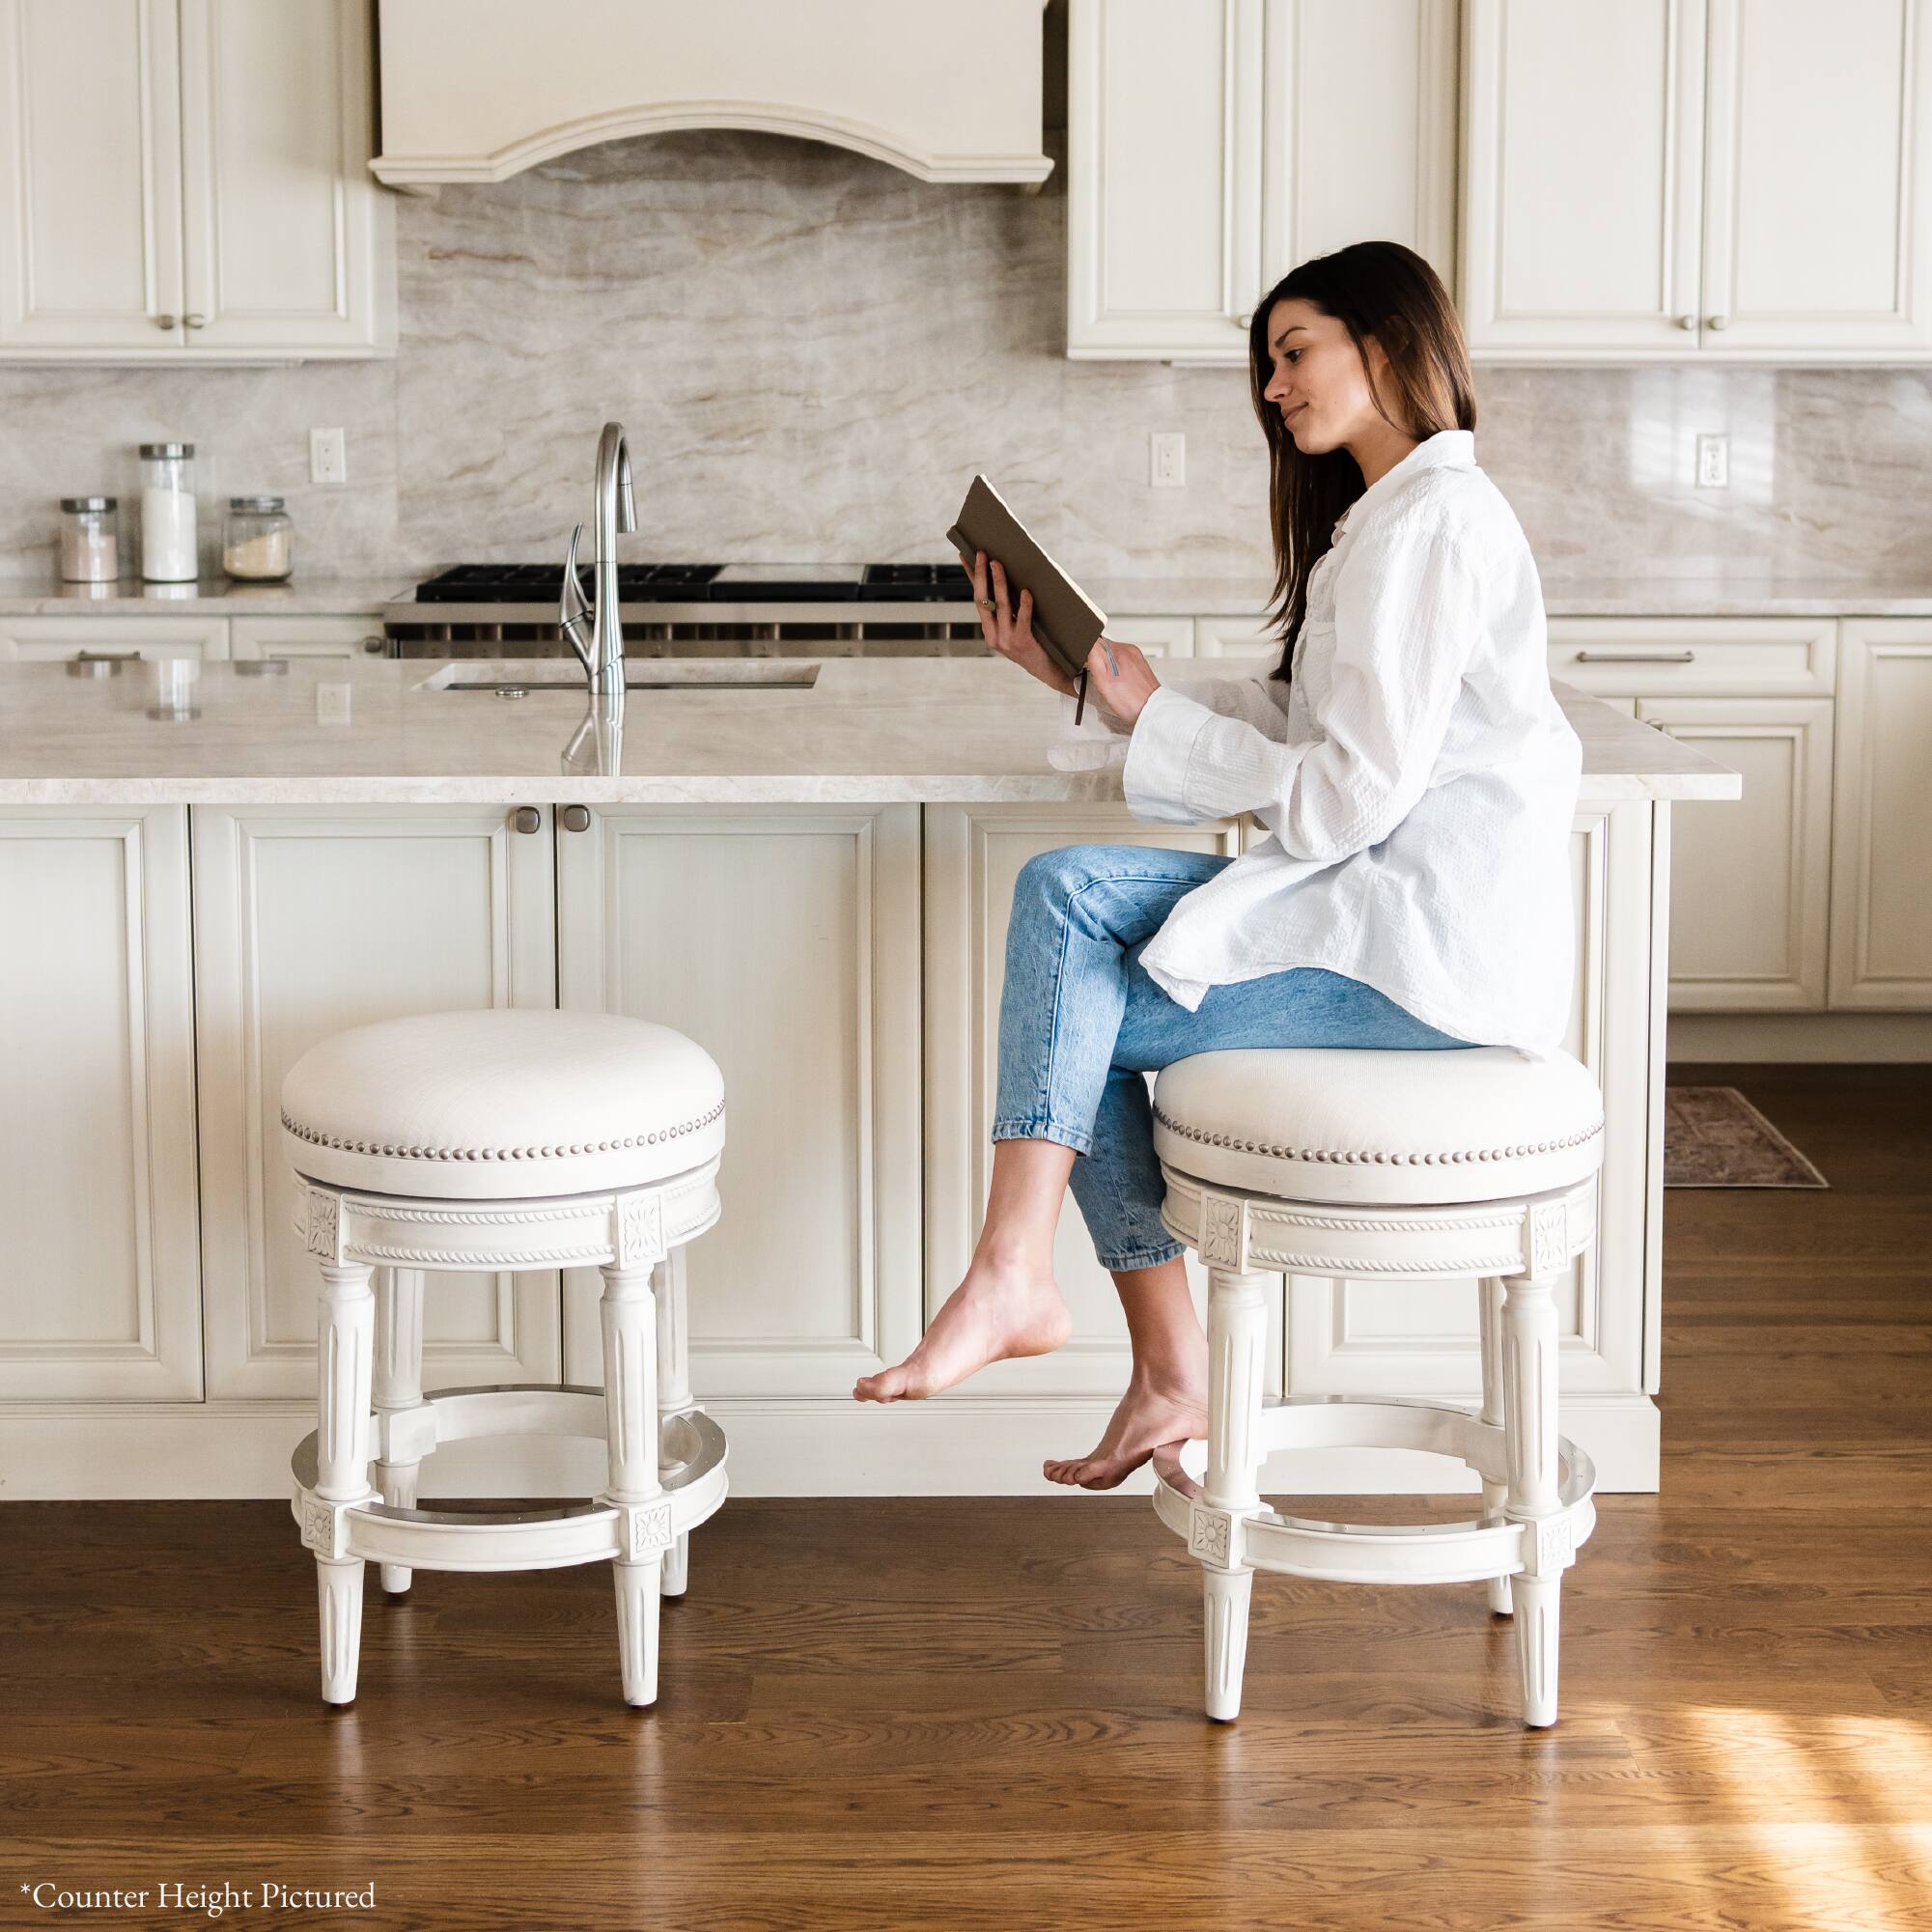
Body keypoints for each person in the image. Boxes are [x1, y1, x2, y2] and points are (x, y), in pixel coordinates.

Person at [853, 239, 1583, 1491]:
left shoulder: (1435, 523)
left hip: (1422, 957)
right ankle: (1134, 1352)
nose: (1272, 385)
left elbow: (1348, 793)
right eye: (1268, 362)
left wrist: (1152, 721)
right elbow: (1312, 718)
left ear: (1389, 344)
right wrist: (1110, 686)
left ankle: (1036, 1292)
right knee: (1068, 939)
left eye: (1294, 351)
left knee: (1071, 944)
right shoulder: (1388, 521)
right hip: (1372, 914)